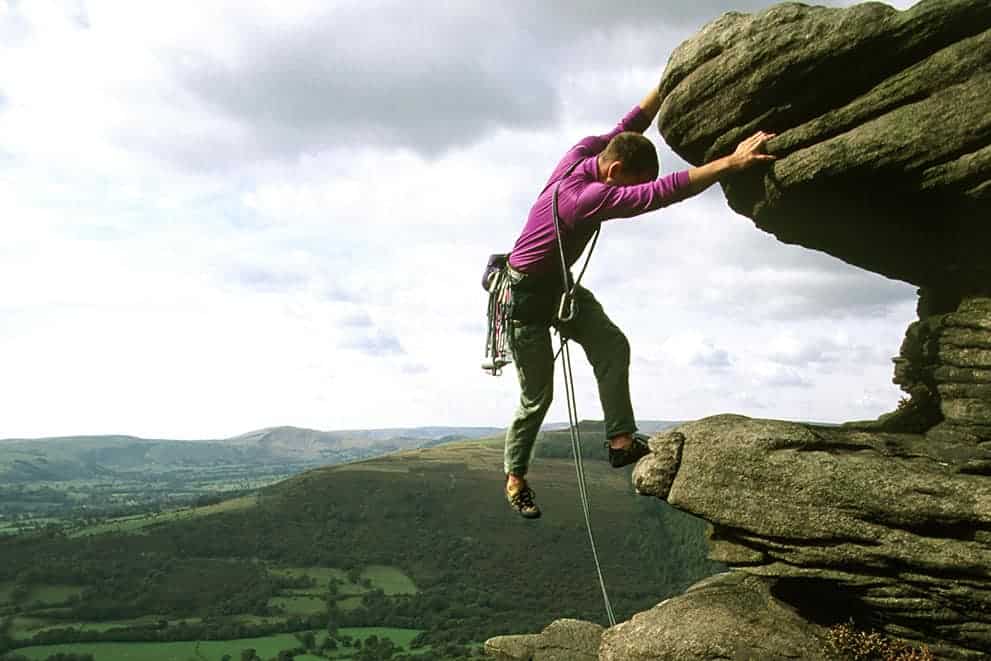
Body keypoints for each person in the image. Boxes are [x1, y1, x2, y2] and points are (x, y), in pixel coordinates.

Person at [502, 80, 775, 519]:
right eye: (628, 185)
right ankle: (515, 476)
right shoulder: (584, 199)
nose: (630, 193)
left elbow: (631, 126)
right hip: (525, 300)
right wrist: (732, 162)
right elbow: (662, 192)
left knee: (612, 345)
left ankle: (620, 442)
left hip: (558, 287)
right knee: (538, 397)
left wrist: (668, 83)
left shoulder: (585, 151)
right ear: (613, 174)